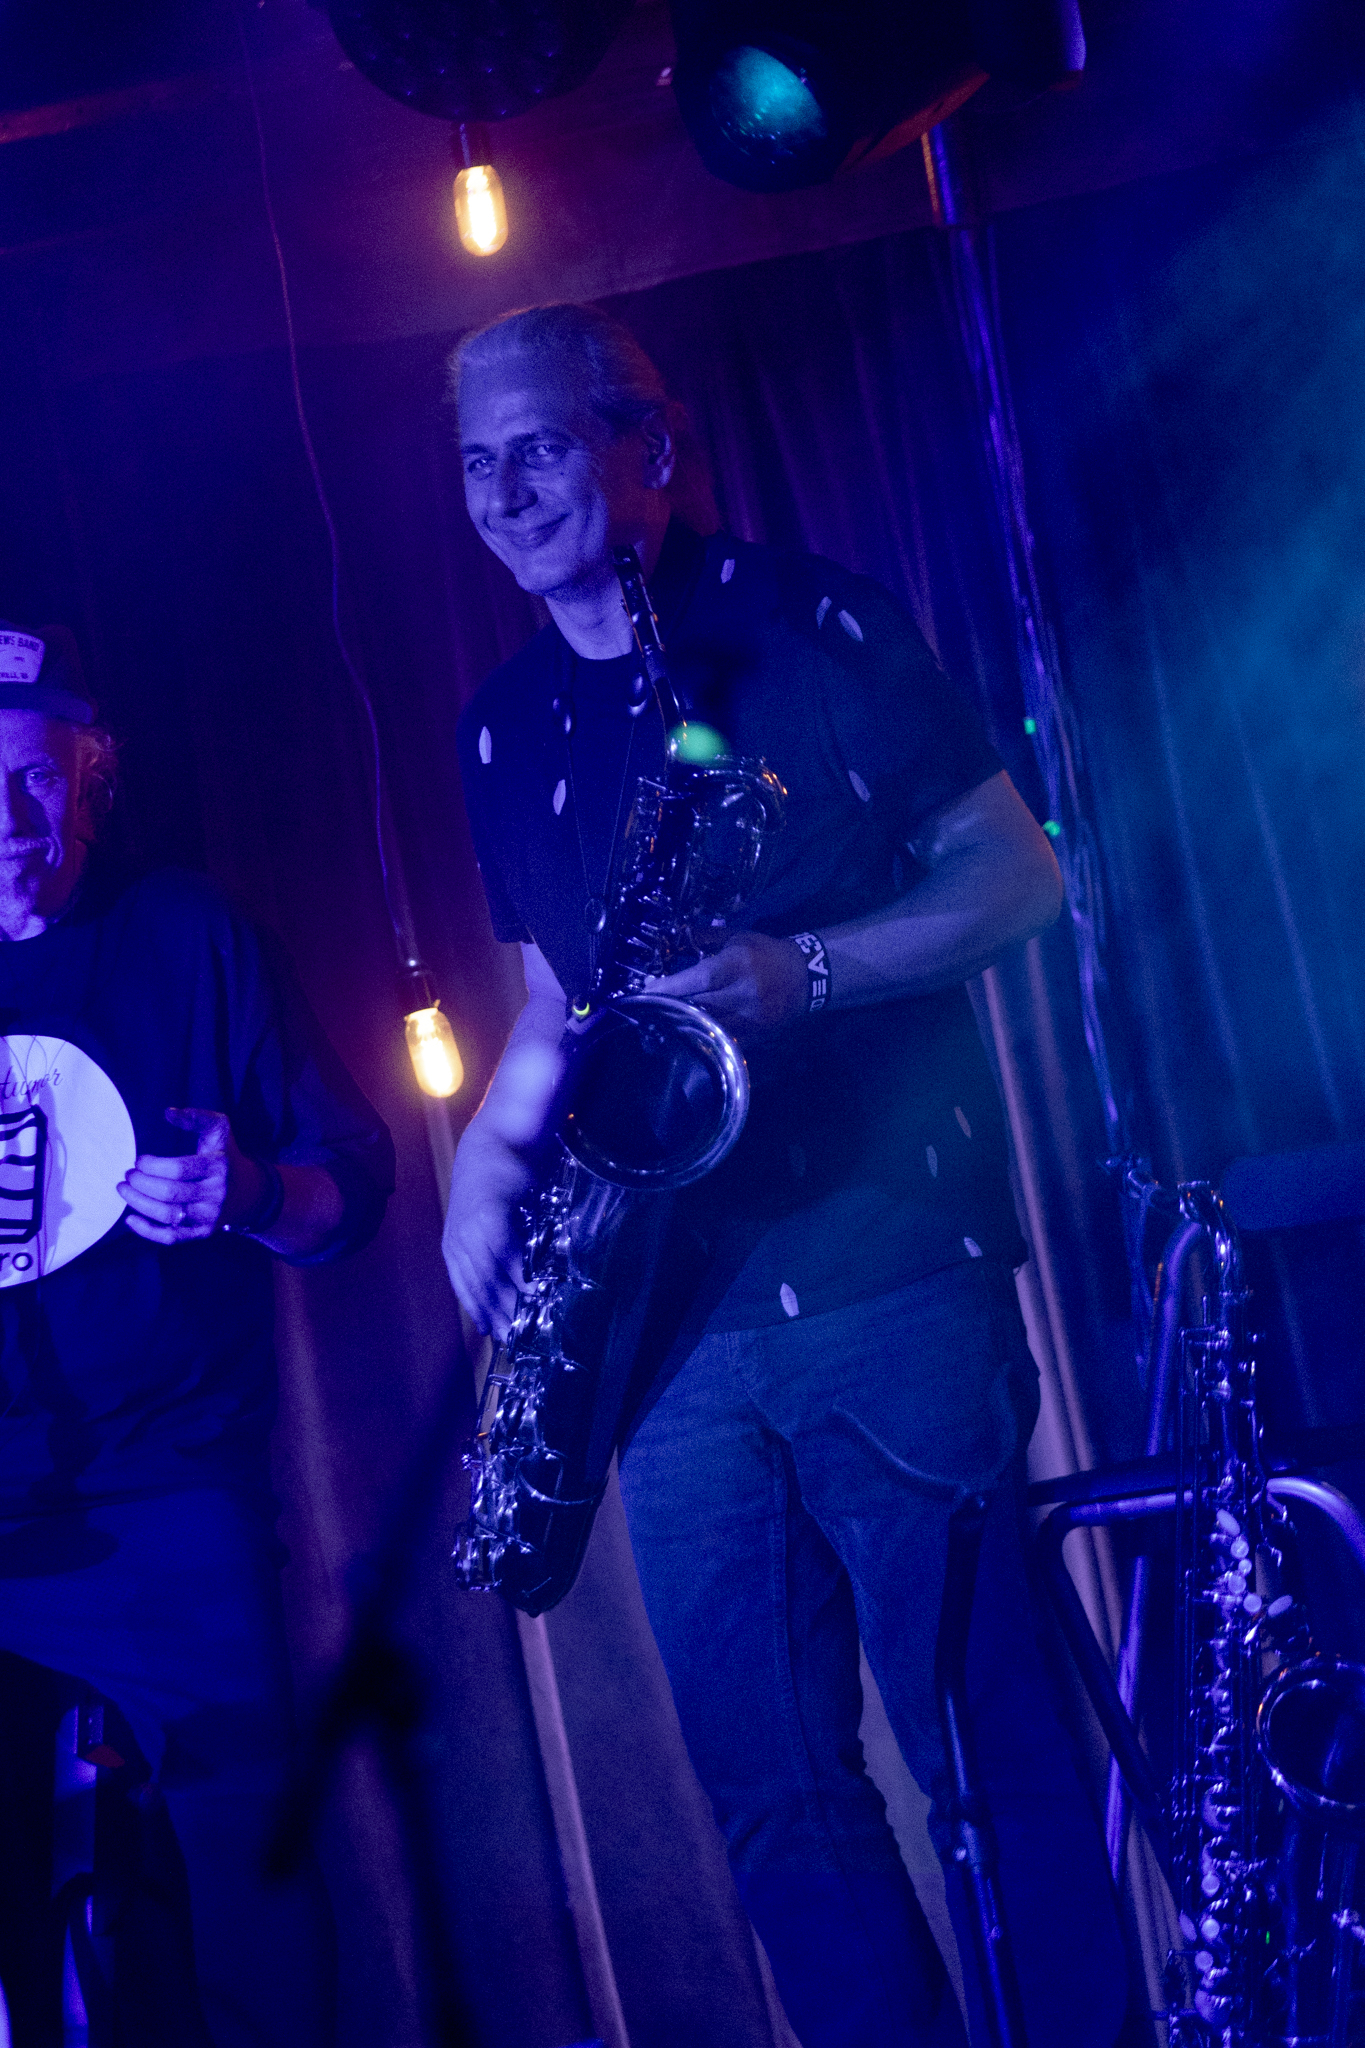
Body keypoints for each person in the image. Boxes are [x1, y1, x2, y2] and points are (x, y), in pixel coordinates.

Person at [443, 305, 1129, 2047]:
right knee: (775, 1800)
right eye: (475, 462)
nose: (505, 494)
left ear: (647, 448)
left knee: (989, 1755)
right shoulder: (499, 727)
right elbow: (555, 1006)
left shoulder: (818, 627)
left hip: (889, 1270)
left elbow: (1020, 876)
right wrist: (479, 1175)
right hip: (669, 1329)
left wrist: (802, 972)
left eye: (540, 447)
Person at [0, 619, 395, 2046]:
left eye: (34, 779)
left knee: (247, 1864)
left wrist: (250, 1193)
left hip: (164, 1487)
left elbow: (350, 1187)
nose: (5, 821)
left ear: (92, 778)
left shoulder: (187, 933)